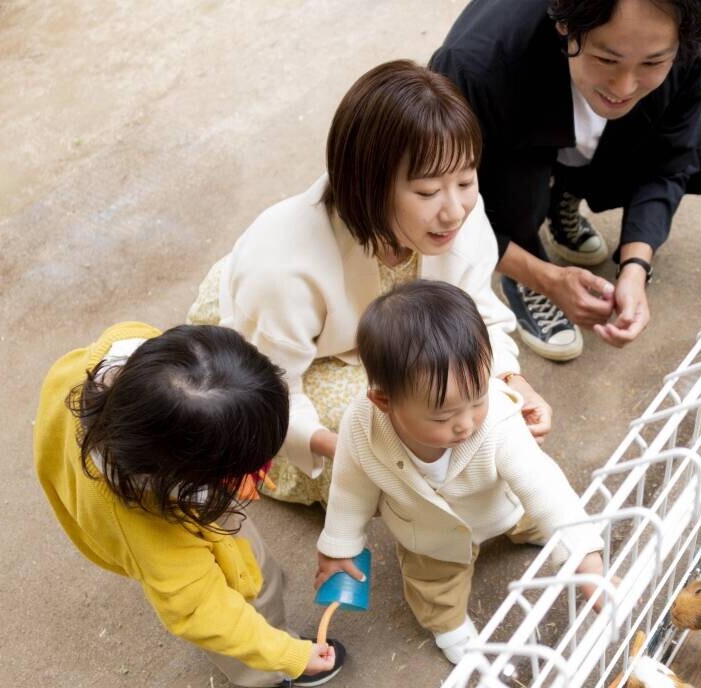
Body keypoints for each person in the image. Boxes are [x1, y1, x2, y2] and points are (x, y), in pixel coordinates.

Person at [188, 60, 550, 507]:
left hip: (376, 338)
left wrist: (513, 381)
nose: (455, 209)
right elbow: (269, 385)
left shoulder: (453, 218)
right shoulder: (283, 266)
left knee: (460, 412)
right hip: (276, 347)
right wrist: (335, 446)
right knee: (398, 433)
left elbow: (475, 310)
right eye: (427, 192)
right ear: (366, 185)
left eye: (466, 180)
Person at [431, 0, 701, 361]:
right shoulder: (475, 63)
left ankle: (564, 194)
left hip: (592, 139)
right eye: (606, 59)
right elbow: (437, 205)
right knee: (510, 203)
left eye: (653, 62)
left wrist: (635, 267)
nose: (624, 86)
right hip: (510, 138)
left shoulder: (692, 40)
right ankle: (525, 266)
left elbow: (669, 160)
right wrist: (547, 279)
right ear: (565, 25)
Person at [33, 322, 344, 688]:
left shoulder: (140, 357)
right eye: (249, 465)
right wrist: (288, 656)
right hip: (160, 517)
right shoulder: (149, 528)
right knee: (240, 596)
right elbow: (199, 608)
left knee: (249, 568)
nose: (263, 469)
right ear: (194, 477)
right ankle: (264, 673)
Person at [314, 281, 607, 663]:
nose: (465, 424)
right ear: (384, 401)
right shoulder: (361, 426)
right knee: (433, 585)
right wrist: (339, 546)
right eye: (443, 415)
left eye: (477, 400)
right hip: (426, 533)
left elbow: (543, 484)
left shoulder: (498, 419)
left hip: (500, 503)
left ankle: (544, 537)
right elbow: (350, 487)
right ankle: (448, 626)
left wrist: (585, 558)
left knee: (534, 516)